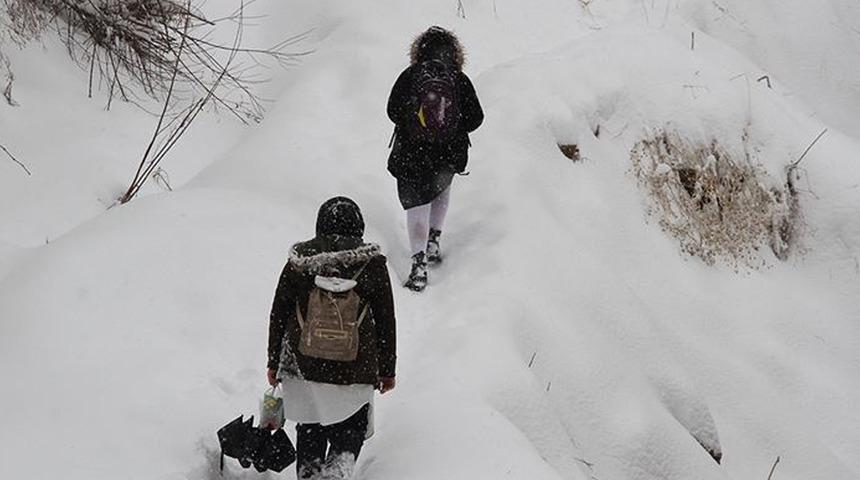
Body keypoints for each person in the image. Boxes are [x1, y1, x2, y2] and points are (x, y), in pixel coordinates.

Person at [267, 197, 397, 479]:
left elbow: (279, 313)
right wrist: (387, 370)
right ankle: (339, 467)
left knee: (310, 423)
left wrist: (273, 362)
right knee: (351, 426)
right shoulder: (372, 265)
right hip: (355, 367)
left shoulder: (299, 263)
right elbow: (386, 321)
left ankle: (310, 471)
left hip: (303, 364)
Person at [386, 26, 484, 291]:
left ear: (418, 51)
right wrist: (450, 126)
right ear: (454, 53)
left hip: (411, 153)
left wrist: (414, 123)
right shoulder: (458, 79)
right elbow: (476, 118)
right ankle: (434, 240)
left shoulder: (410, 75)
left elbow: (392, 110)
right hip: (446, 154)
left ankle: (418, 264)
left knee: (416, 204)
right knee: (440, 187)